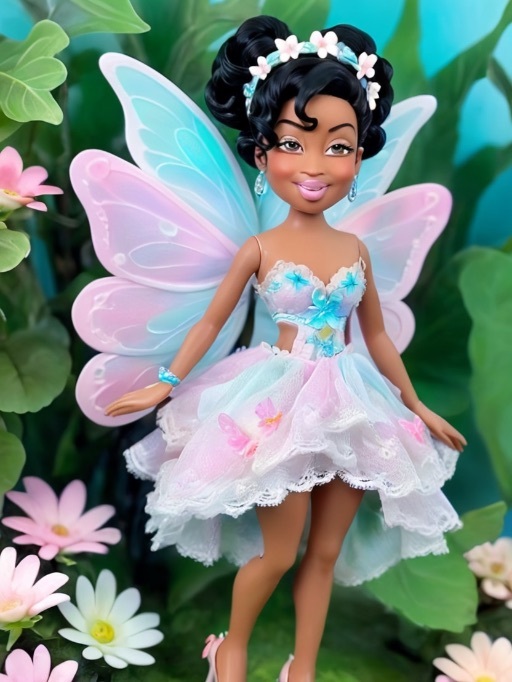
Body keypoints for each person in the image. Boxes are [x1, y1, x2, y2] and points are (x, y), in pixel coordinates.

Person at [104, 15, 466, 682]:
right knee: (276, 553)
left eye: (338, 145)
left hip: (353, 402)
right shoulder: (260, 248)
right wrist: (166, 380)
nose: (315, 165)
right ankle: (232, 648)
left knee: (323, 554)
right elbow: (210, 324)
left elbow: (376, 336)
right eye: (294, 143)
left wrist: (415, 405)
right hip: (281, 402)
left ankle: (302, 668)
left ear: (359, 157)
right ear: (262, 152)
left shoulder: (354, 249)